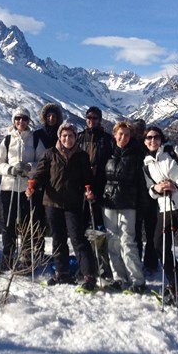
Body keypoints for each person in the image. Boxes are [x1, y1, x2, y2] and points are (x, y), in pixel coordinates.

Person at [27, 122, 98, 291]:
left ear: (75, 137)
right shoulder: (50, 154)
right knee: (58, 239)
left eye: (71, 135)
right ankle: (62, 272)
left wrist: (90, 191)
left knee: (78, 239)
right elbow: (41, 175)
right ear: (60, 137)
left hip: (73, 203)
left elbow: (88, 179)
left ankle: (89, 275)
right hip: (52, 202)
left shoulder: (81, 156)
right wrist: (33, 187)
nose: (68, 139)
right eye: (64, 136)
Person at [142, 126, 178, 306]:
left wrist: (176, 184)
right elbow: (150, 190)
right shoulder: (146, 164)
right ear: (144, 141)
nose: (153, 140)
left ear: (161, 138)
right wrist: (156, 189)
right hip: (165, 205)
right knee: (159, 243)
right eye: (149, 138)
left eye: (156, 137)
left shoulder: (172, 151)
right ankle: (174, 279)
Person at [0, 107, 46, 272]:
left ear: (28, 121)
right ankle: (7, 256)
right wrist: (10, 169)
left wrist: (30, 167)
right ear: (13, 121)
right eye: (17, 119)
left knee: (27, 223)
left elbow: (43, 162)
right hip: (9, 187)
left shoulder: (35, 140)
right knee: (9, 224)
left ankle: (26, 256)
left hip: (27, 188)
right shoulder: (7, 140)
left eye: (24, 119)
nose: (21, 122)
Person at [102, 121, 147, 293]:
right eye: (120, 134)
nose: (123, 137)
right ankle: (119, 278)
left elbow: (142, 182)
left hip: (128, 203)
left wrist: (142, 206)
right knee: (112, 241)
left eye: (127, 135)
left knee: (127, 241)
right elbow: (101, 176)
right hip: (108, 203)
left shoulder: (137, 155)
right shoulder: (107, 153)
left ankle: (137, 280)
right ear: (114, 134)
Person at [76, 106, 113, 278]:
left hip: (100, 187)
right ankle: (85, 264)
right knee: (82, 227)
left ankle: (104, 265)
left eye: (95, 118)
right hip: (81, 187)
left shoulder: (107, 139)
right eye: (89, 117)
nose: (91, 120)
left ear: (100, 120)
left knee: (100, 227)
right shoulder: (79, 138)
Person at [28, 102, 63, 262]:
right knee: (37, 216)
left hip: (57, 181)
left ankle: (57, 251)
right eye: (48, 116)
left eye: (54, 116)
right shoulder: (37, 135)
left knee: (54, 218)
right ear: (44, 117)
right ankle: (38, 247)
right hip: (41, 180)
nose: (51, 118)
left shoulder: (62, 135)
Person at [130, 118, 159, 273]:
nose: (138, 133)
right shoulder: (140, 149)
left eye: (140, 130)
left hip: (148, 195)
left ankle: (147, 263)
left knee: (146, 232)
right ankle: (147, 263)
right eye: (136, 130)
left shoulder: (149, 148)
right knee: (143, 232)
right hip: (141, 196)